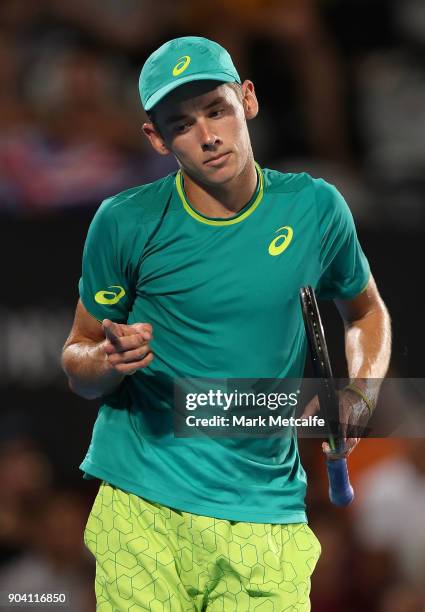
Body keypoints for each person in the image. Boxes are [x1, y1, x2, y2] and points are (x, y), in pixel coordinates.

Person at [61, 36, 391, 611]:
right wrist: (105, 362)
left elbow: (366, 313)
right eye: (181, 123)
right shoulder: (123, 223)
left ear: (248, 99)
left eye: (217, 109)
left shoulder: (315, 208)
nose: (209, 135)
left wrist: (359, 396)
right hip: (143, 505)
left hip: (267, 515)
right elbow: (78, 362)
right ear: (156, 138)